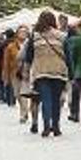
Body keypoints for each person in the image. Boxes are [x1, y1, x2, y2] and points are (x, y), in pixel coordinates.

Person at [28, 9, 69, 137]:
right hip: (59, 71)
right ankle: (56, 127)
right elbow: (68, 54)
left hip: (41, 71)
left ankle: (46, 126)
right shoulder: (62, 36)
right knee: (56, 100)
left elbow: (29, 56)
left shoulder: (34, 36)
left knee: (46, 99)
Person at [16, 28, 40, 132]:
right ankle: (50, 122)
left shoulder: (29, 41)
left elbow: (20, 56)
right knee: (43, 98)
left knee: (33, 98)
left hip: (32, 71)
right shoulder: (55, 37)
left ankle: (34, 121)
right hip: (45, 71)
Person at [2, 29, 22, 107]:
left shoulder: (5, 44)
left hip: (10, 66)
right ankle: (12, 99)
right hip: (15, 66)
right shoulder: (13, 44)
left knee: (9, 83)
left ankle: (9, 99)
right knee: (12, 84)